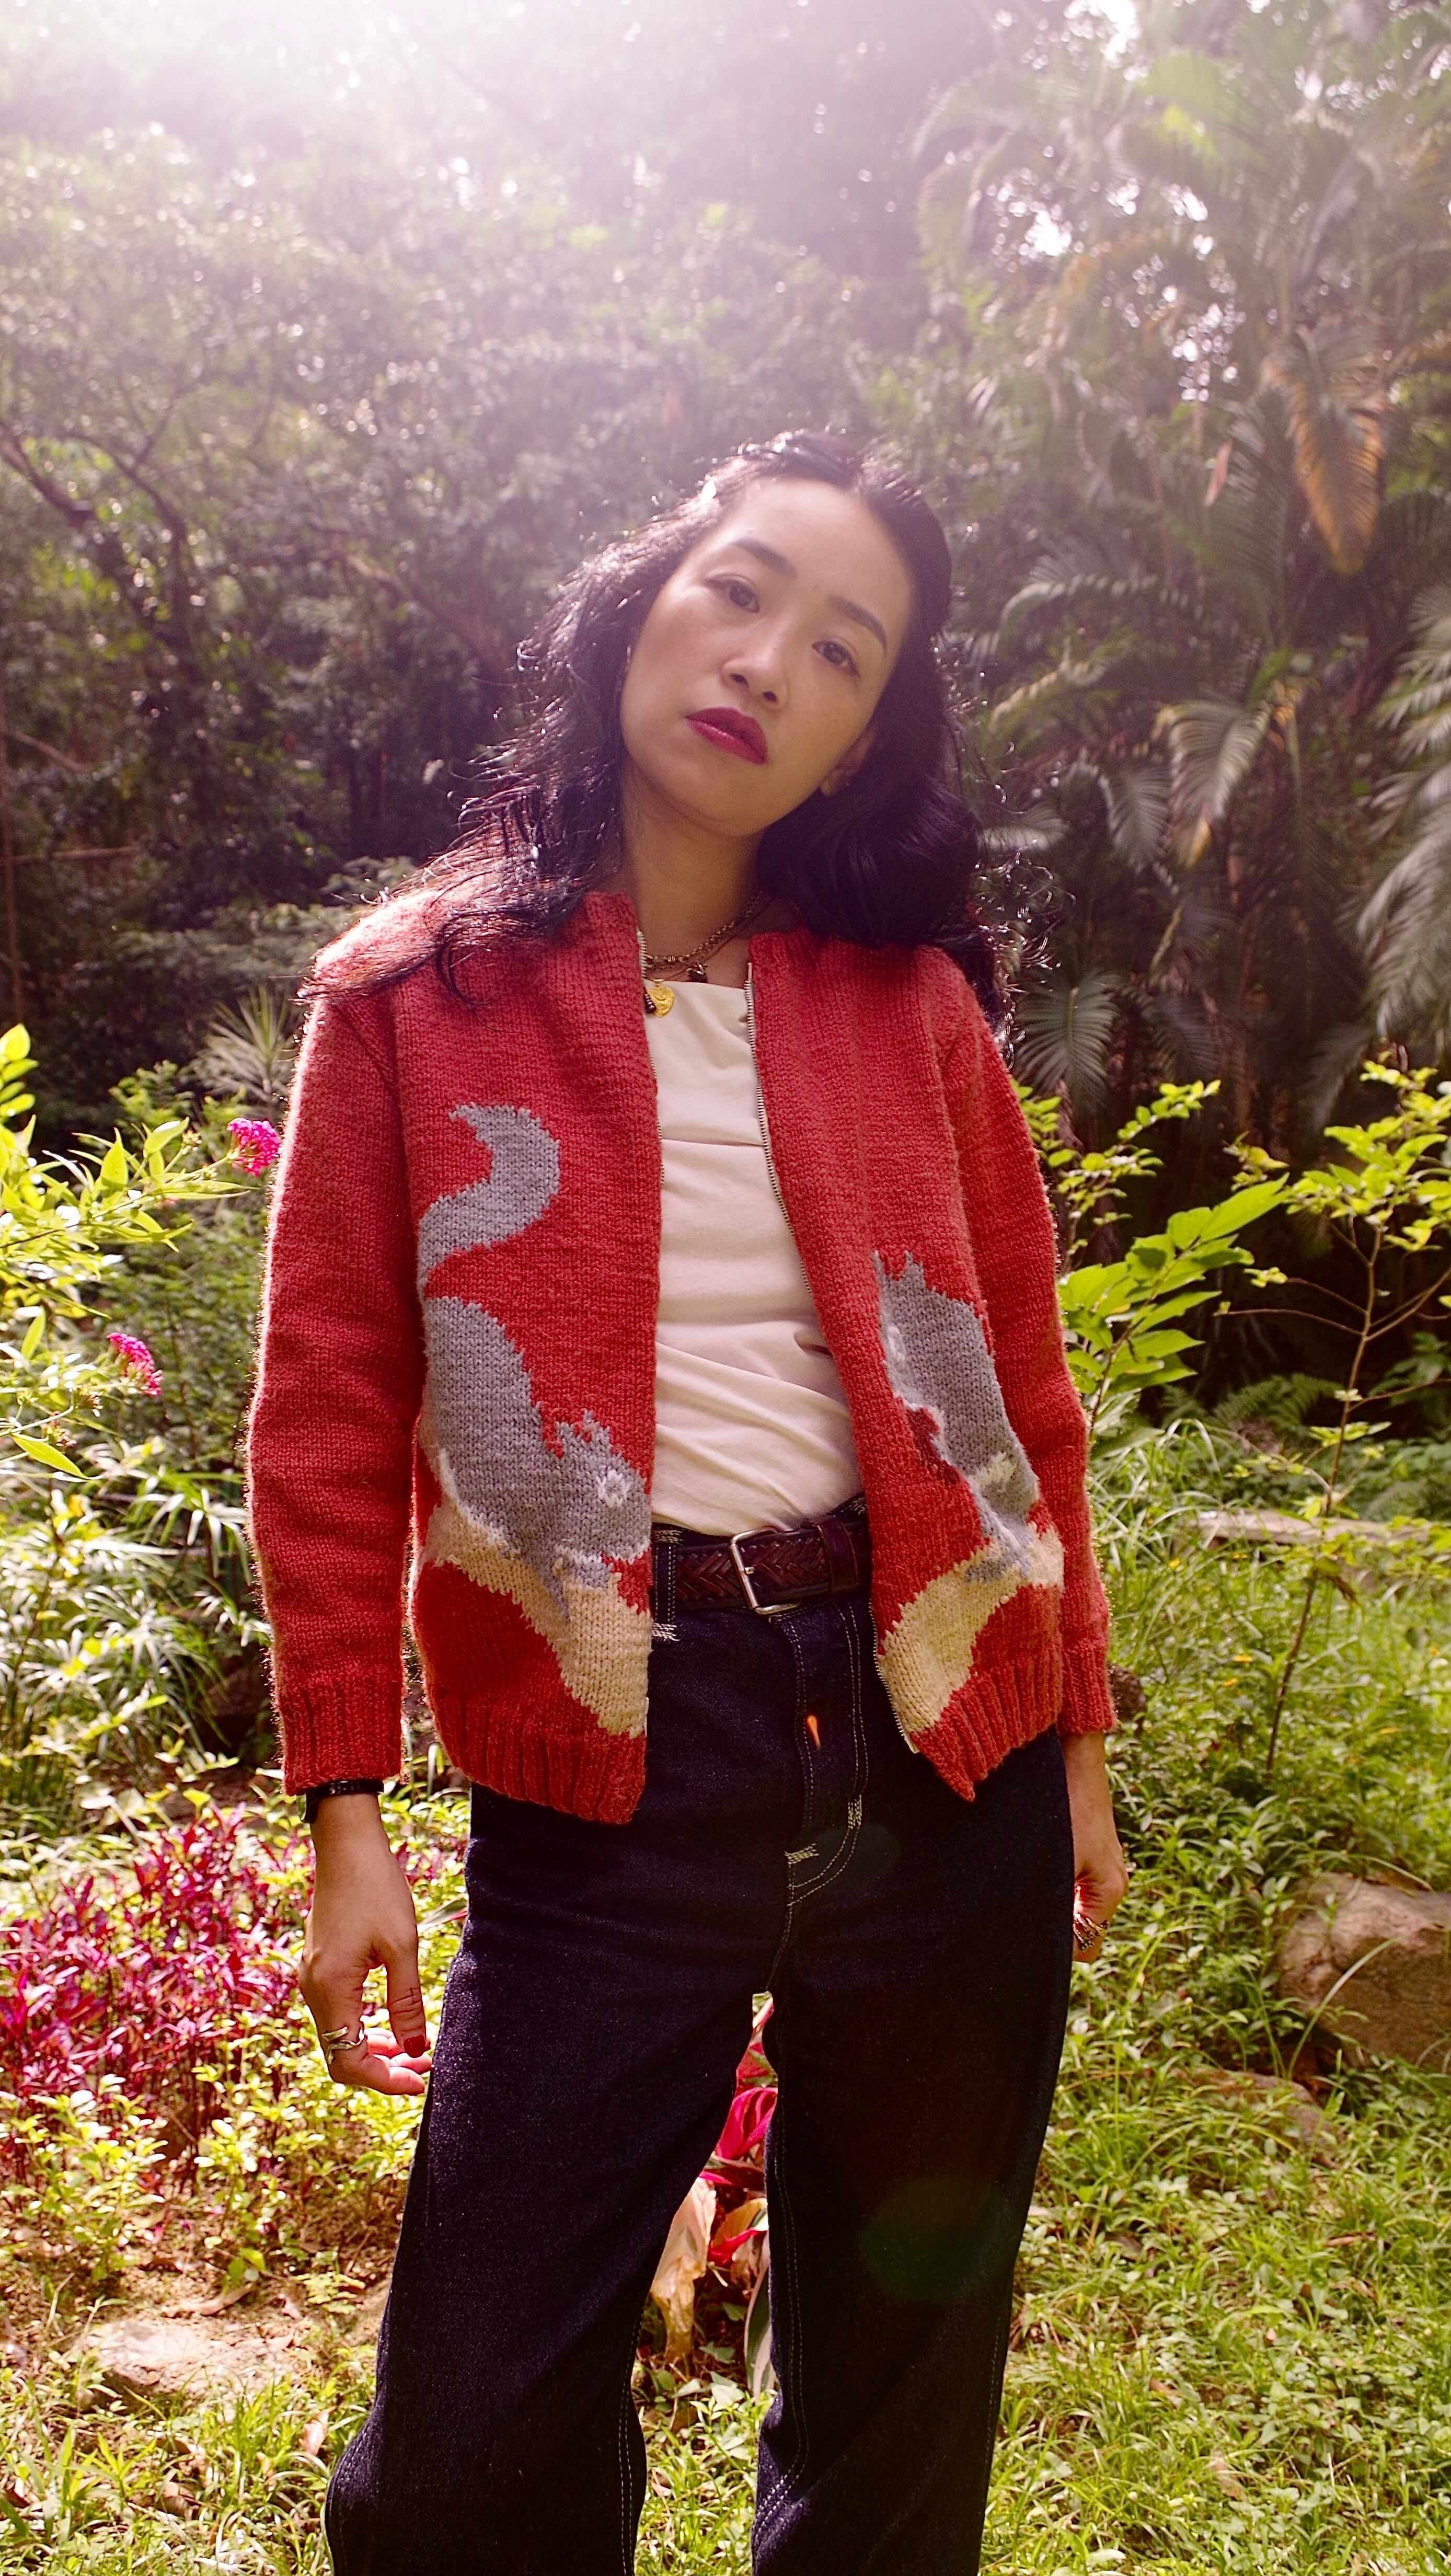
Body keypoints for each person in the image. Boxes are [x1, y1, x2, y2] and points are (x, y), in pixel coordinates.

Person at [246, 429, 1129, 2575]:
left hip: (945, 1748)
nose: (766, 664)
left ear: (860, 740)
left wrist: (1078, 1744)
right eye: (742, 590)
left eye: (842, 652)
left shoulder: (913, 1008)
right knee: (467, 2455)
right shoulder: (412, 996)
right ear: (645, 594)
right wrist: (347, 1805)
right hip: (617, 1767)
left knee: (900, 2409)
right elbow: (332, 1409)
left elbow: (1023, 1387)